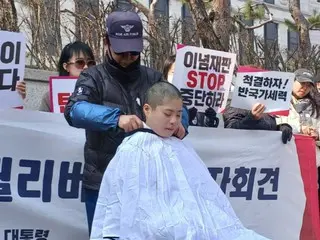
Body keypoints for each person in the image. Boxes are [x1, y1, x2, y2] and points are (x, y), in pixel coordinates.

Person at [90, 81, 269, 240]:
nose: (174, 121)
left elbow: (203, 193)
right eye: (167, 114)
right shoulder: (133, 149)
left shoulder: (180, 146)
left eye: (178, 114)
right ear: (147, 109)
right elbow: (128, 206)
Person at [64, 11, 189, 235]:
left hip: (149, 184)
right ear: (106, 42)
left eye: (134, 51)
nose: (129, 56)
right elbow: (75, 110)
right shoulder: (92, 77)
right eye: (122, 51)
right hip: (103, 182)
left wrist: (180, 122)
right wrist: (116, 118)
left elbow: (180, 107)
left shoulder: (152, 78)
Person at [223, 68, 293, 144]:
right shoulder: (235, 104)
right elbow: (230, 129)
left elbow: (267, 128)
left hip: (265, 153)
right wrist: (252, 118)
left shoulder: (265, 106)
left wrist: (281, 128)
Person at [276, 68, 320, 165]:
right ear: (292, 81)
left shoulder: (315, 105)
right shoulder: (279, 102)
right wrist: (300, 128)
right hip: (285, 157)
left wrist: (317, 134)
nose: (304, 88)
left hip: (312, 159)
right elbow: (275, 123)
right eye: (302, 83)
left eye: (308, 85)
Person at [39, 41, 96, 112]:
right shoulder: (50, 97)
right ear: (66, 66)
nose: (86, 67)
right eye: (80, 62)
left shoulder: (100, 93)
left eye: (90, 63)